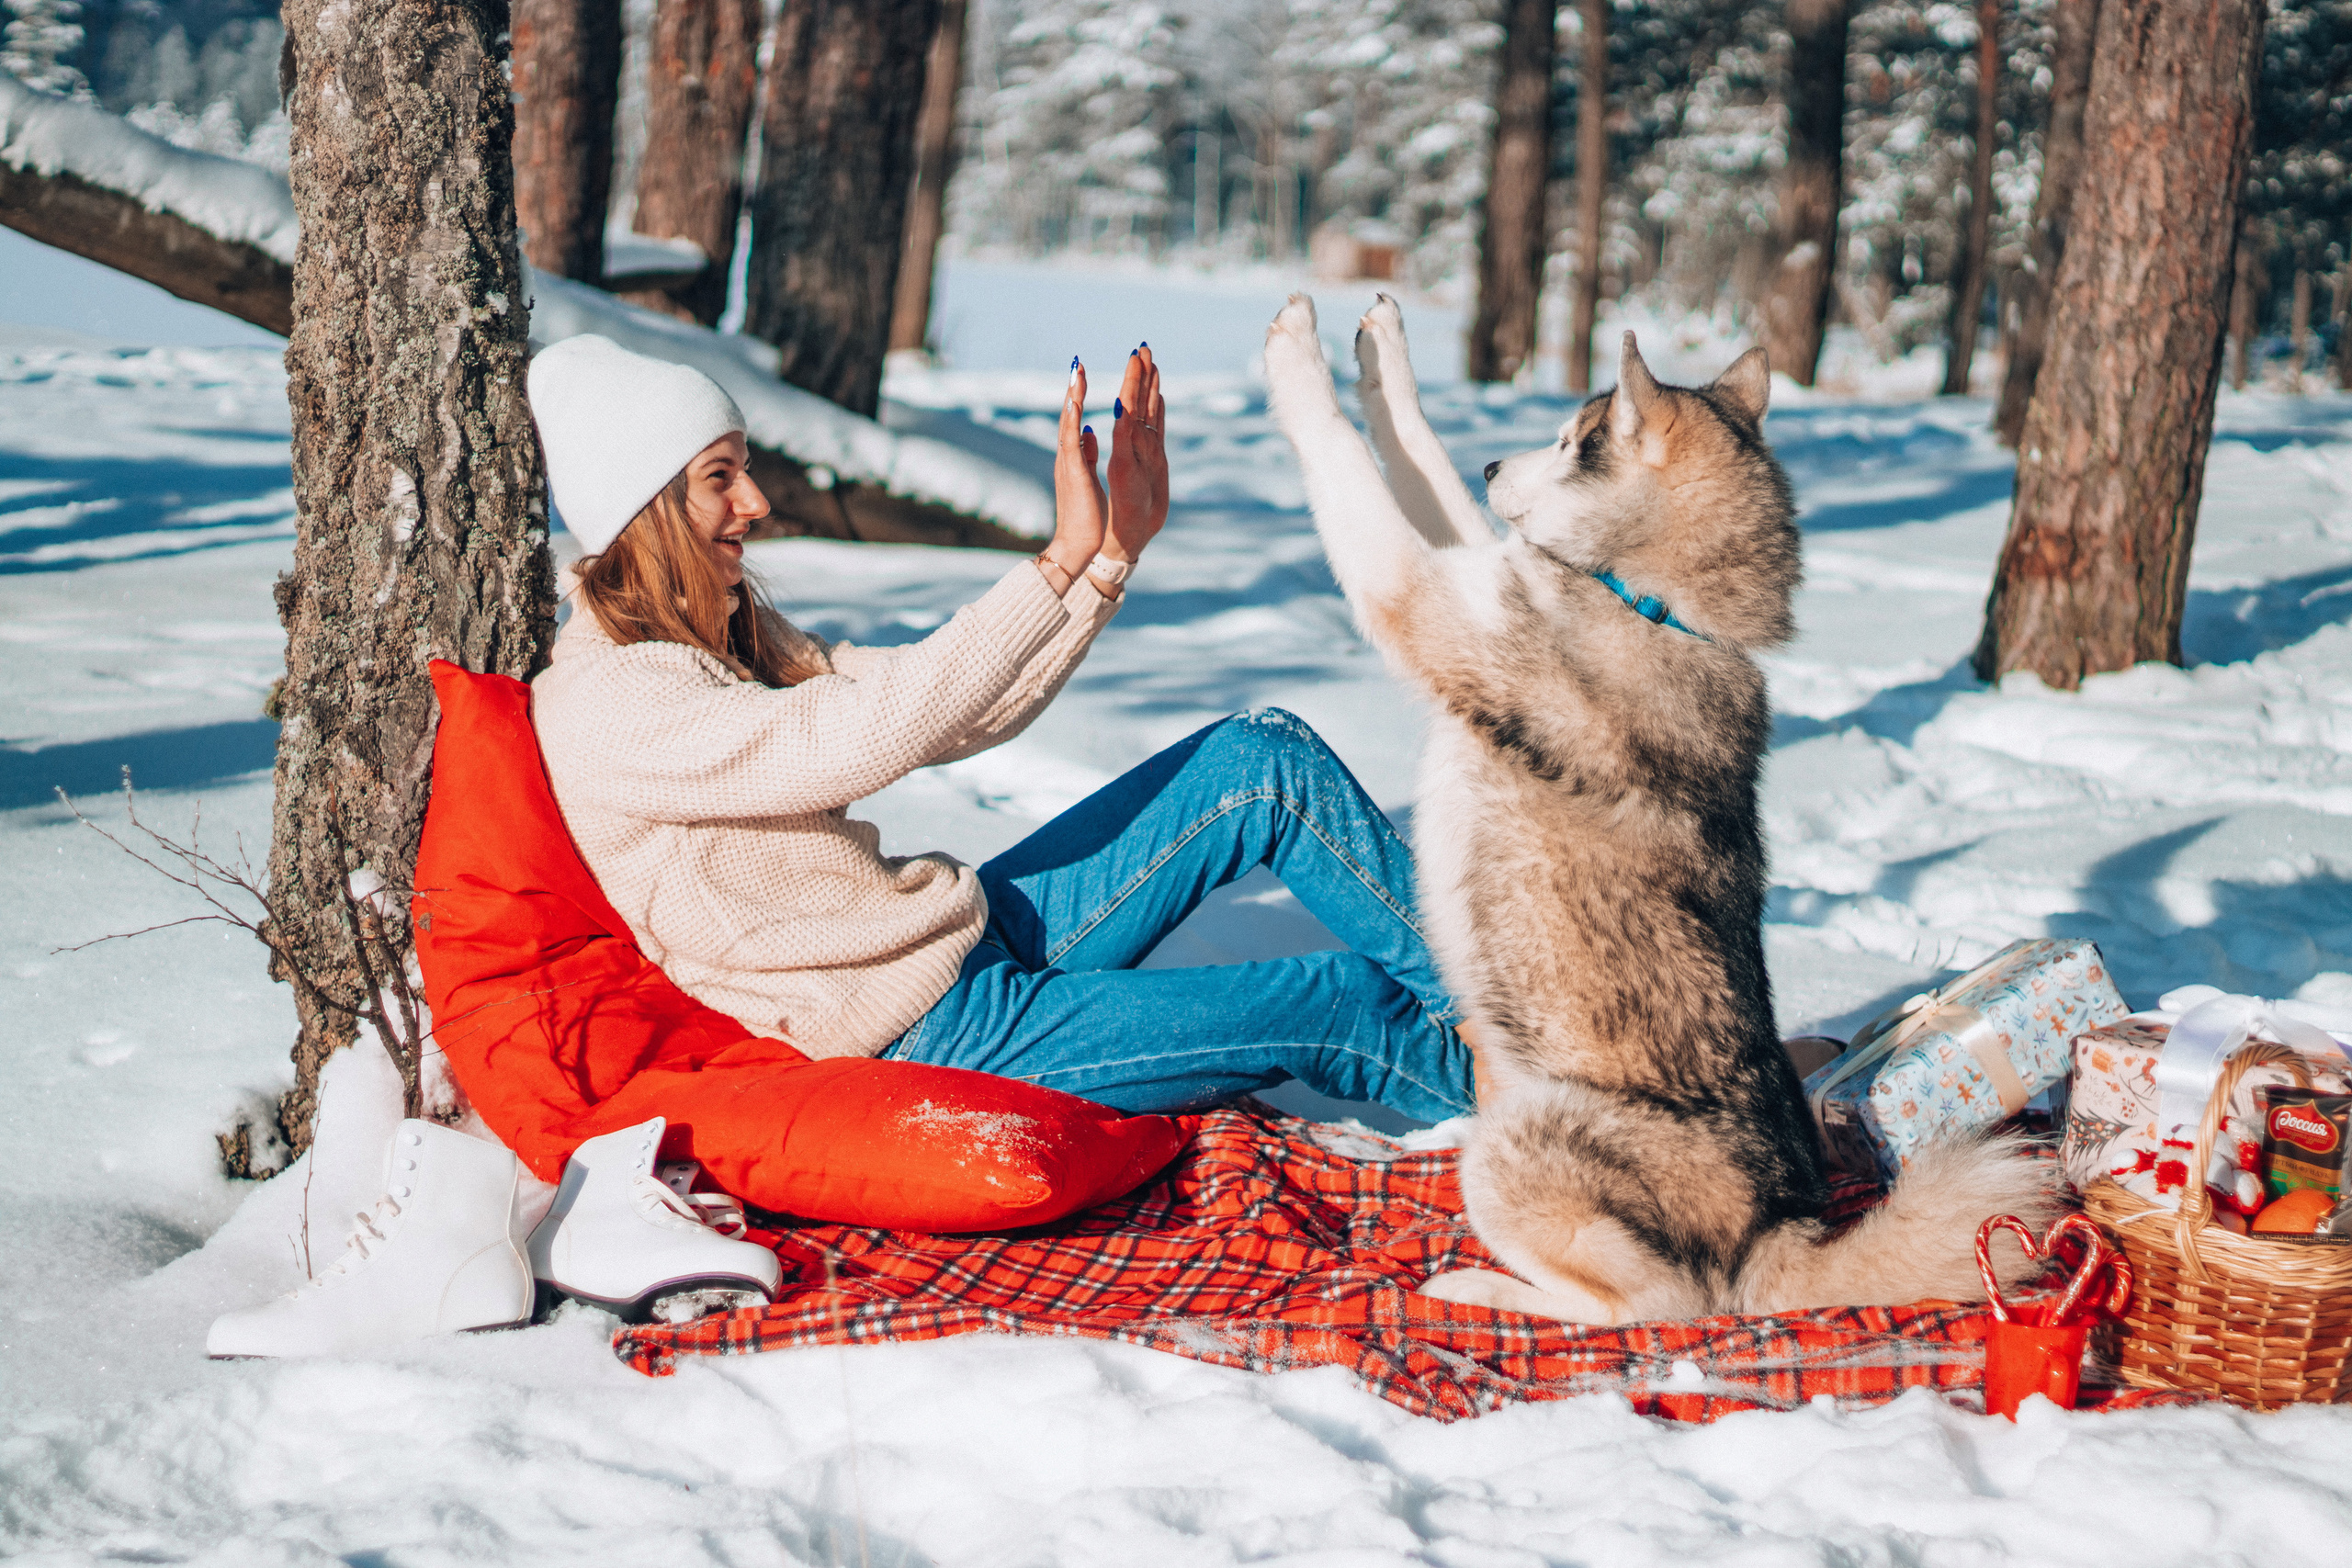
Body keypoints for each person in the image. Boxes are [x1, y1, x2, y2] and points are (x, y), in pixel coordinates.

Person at [526, 334, 1476, 1125]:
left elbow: (946, 708)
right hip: (917, 1031)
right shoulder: (615, 704)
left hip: (949, 938)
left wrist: (1105, 560)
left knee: (1259, 761)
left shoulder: (717, 639)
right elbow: (862, 732)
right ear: (646, 509)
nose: (756, 504)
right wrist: (1057, 558)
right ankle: (1580, 1136)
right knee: (1343, 1007)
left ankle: (1520, 1025)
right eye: (719, 479)